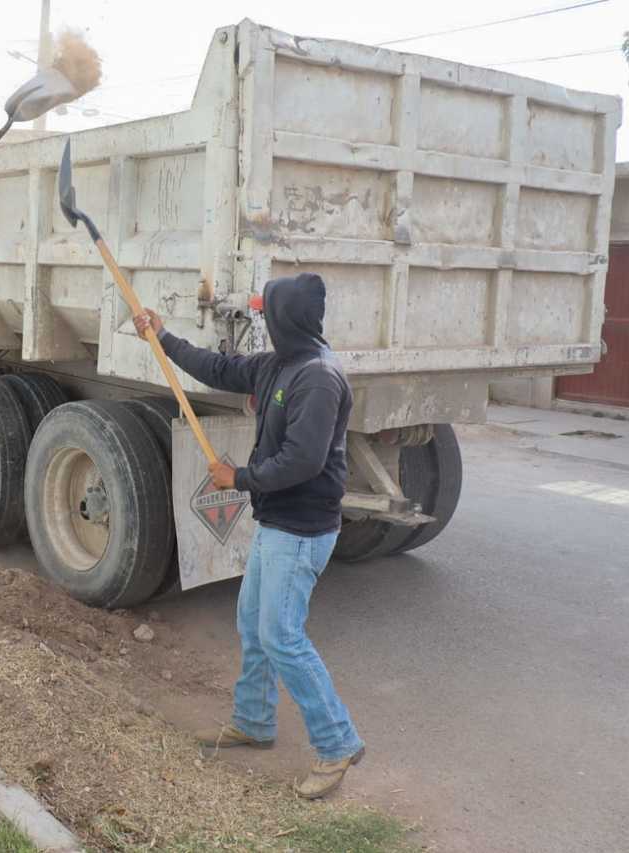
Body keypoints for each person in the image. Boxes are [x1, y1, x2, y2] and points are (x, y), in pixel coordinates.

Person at [133, 272, 364, 799]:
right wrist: (162, 337)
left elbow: (303, 461)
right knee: (253, 624)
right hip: (277, 521)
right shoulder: (278, 364)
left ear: (286, 318)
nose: (261, 320)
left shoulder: (318, 378)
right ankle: (255, 721)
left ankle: (337, 744)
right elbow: (217, 368)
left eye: (266, 313)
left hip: (301, 528)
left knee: (282, 635)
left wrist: (238, 478)